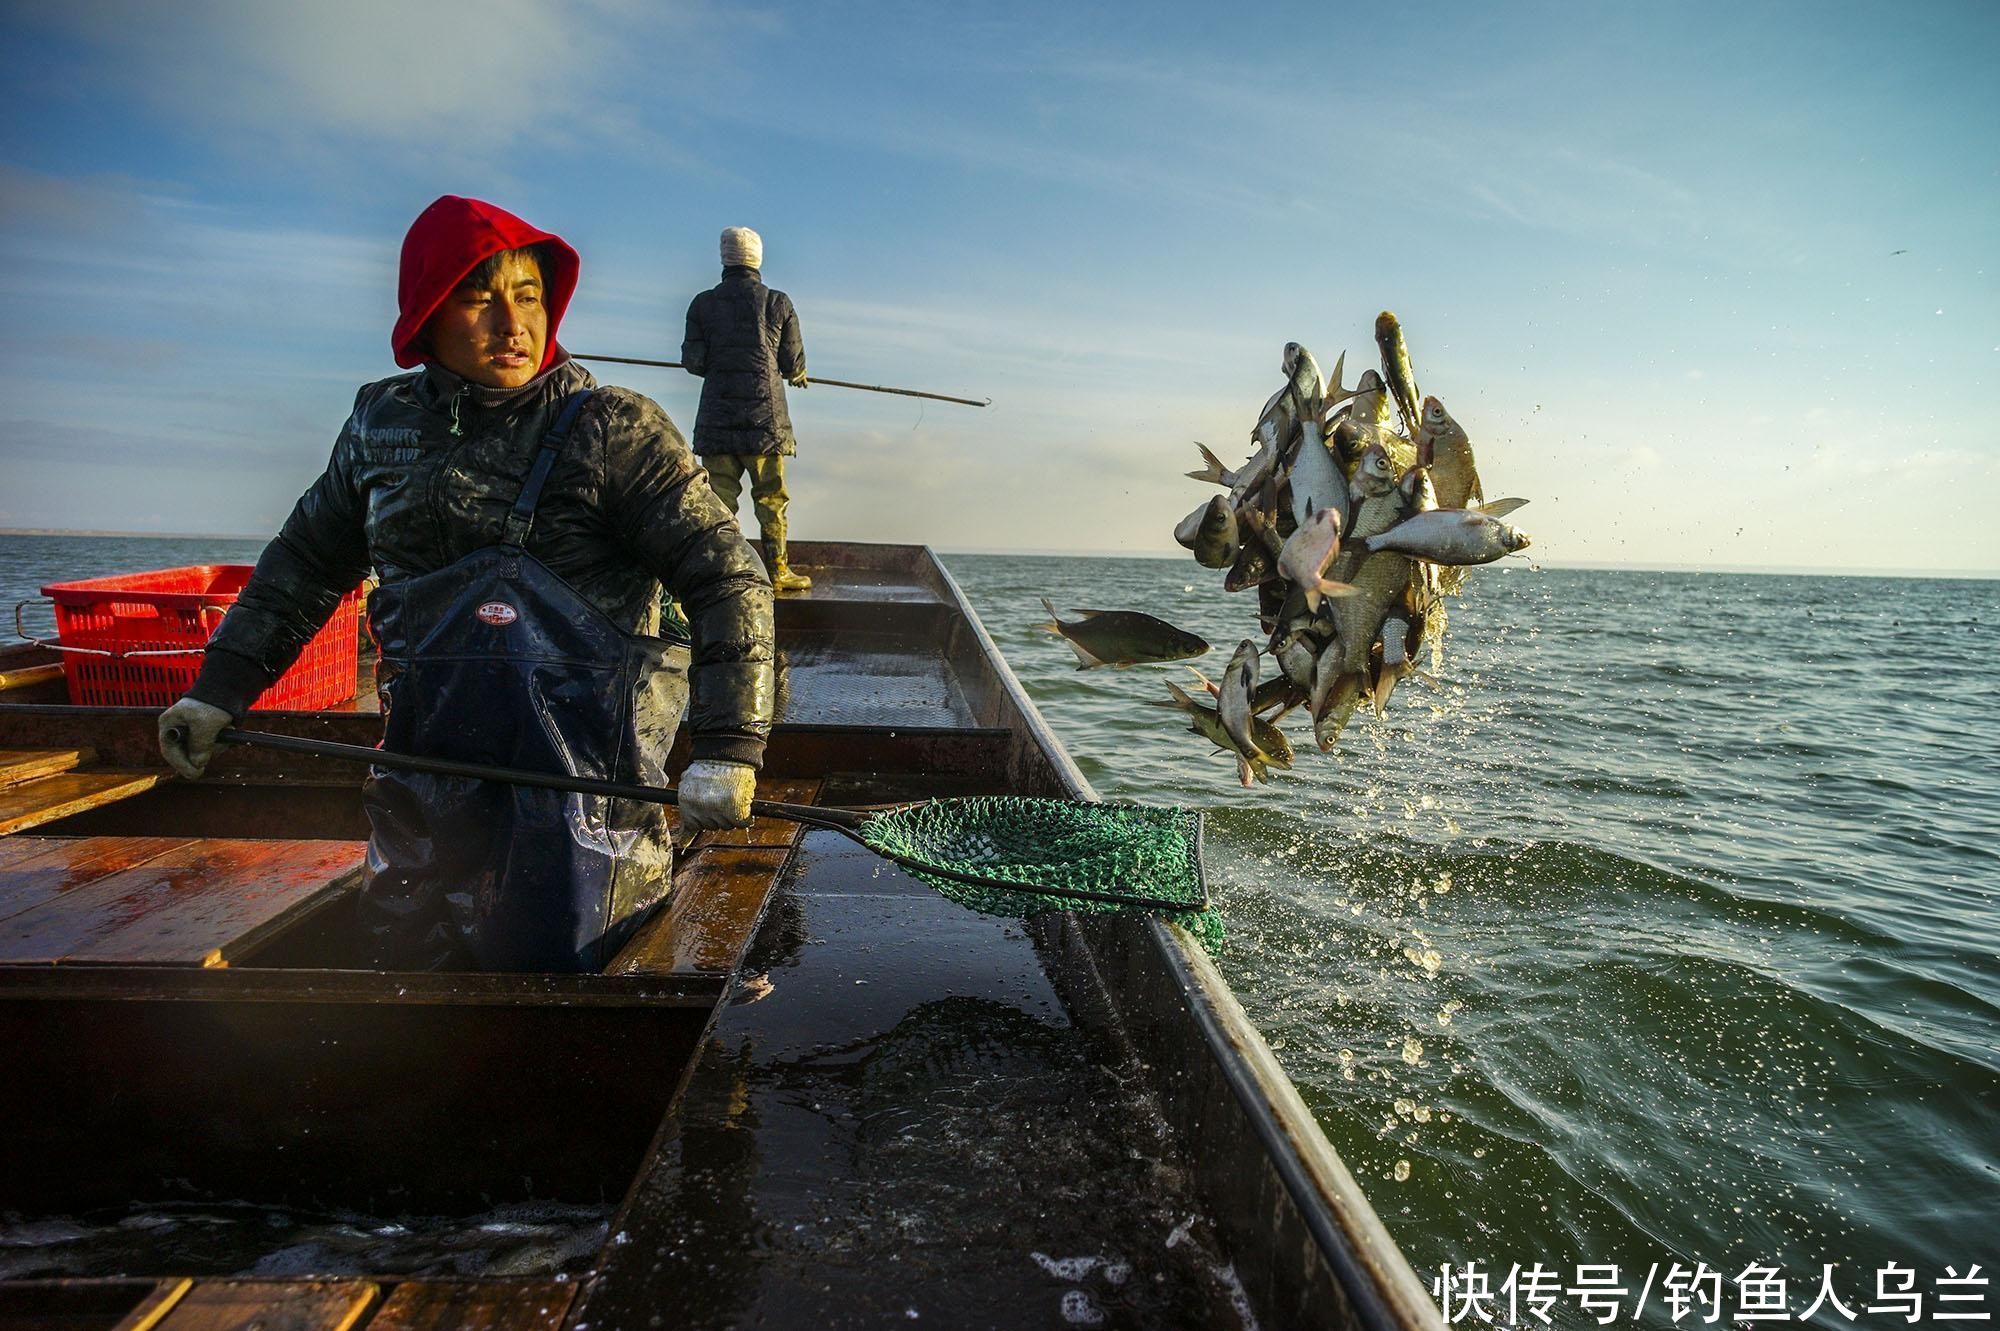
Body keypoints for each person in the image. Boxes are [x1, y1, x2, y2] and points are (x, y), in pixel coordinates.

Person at [156, 195, 776, 973]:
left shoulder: (614, 429)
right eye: (479, 298)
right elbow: (304, 568)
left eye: (528, 295)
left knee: (564, 989)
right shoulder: (378, 425)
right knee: (404, 995)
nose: (513, 325)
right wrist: (219, 691)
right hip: (423, 790)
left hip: (586, 803)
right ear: (426, 311)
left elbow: (729, 578)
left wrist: (728, 747)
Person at [682, 226, 813, 593]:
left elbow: (693, 361)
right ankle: (778, 571)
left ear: (725, 258)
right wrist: (799, 373)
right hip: (765, 426)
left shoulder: (702, 304)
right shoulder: (778, 303)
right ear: (757, 259)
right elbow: (791, 363)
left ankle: (722, 573)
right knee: (771, 500)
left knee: (719, 503)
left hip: (717, 424)